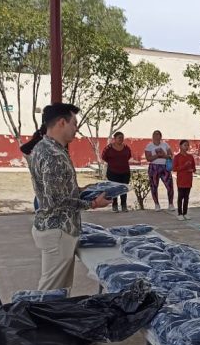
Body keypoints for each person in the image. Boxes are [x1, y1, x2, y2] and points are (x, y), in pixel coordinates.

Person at [29, 104, 109, 290]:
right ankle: (42, 319)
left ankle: (50, 318)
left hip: (55, 228)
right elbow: (56, 200)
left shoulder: (45, 147)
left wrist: (84, 189)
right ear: (61, 122)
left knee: (59, 290)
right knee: (51, 292)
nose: (76, 128)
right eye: (74, 123)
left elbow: (57, 190)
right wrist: (93, 203)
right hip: (58, 230)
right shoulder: (53, 154)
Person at [101, 131, 132, 212]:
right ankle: (114, 206)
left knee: (123, 189)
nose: (121, 139)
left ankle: (124, 205)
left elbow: (128, 156)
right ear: (114, 139)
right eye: (119, 138)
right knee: (114, 189)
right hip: (113, 172)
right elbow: (104, 157)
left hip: (125, 172)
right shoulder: (109, 148)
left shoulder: (126, 147)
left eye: (122, 138)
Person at [144, 130, 174, 211]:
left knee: (169, 186)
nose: (156, 137)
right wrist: (157, 156)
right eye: (155, 135)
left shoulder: (165, 145)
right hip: (154, 167)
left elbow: (171, 156)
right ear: (152, 137)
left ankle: (171, 204)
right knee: (154, 186)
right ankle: (157, 204)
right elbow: (148, 158)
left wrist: (164, 155)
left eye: (158, 135)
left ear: (161, 137)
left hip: (164, 167)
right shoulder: (149, 146)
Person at [172, 140, 195, 221]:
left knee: (186, 197)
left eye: (187, 145)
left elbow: (194, 168)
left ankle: (185, 213)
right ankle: (179, 213)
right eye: (185, 145)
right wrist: (184, 166)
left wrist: (191, 169)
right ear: (180, 146)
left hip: (188, 179)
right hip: (181, 180)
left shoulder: (190, 157)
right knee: (180, 197)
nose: (187, 147)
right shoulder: (177, 157)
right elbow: (174, 168)